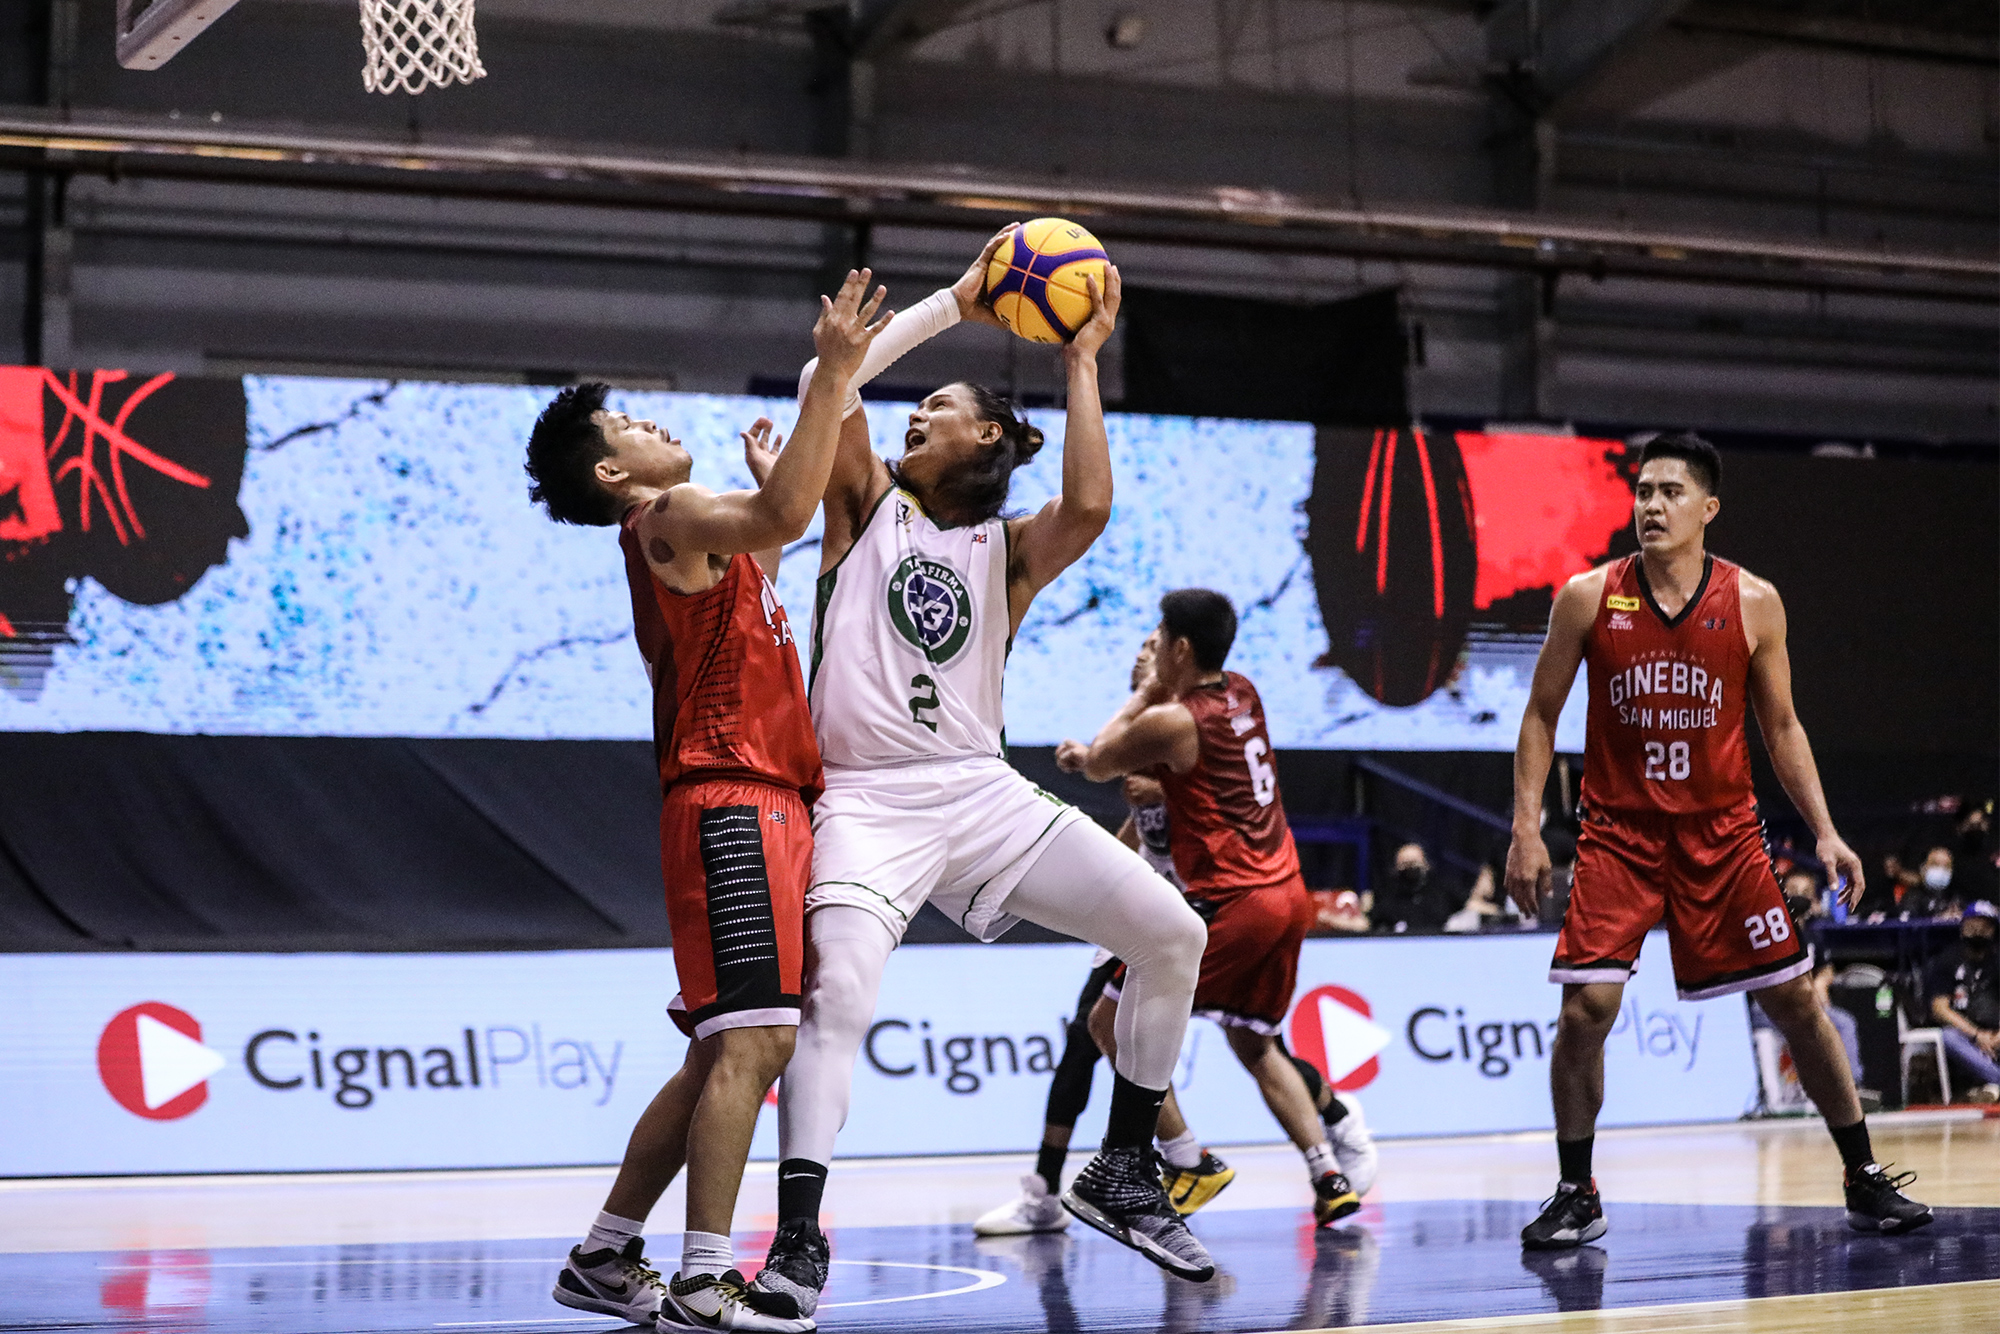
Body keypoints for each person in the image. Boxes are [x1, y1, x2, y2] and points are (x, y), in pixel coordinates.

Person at [759, 230, 1215, 1314]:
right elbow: (828, 380)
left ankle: (1121, 1165)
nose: (917, 413)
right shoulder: (862, 498)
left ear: (996, 435)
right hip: (866, 800)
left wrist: (1077, 360)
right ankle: (795, 1240)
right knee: (838, 1002)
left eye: (942, 405)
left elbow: (1091, 505)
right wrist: (959, 301)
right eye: (914, 407)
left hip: (980, 788)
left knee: (1172, 934)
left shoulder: (1005, 548)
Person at [525, 271, 888, 1332]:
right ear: (611, 470)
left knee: (720, 1049)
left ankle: (602, 1254)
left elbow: (762, 545)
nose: (650, 418)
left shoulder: (688, 539)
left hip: (750, 798)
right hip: (735, 800)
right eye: (628, 420)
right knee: (754, 1045)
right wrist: (831, 369)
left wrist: (781, 498)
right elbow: (777, 513)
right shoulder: (669, 512)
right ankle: (701, 1272)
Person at [1504, 431, 1930, 1248]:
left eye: (1670, 492)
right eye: (1642, 491)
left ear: (1709, 509)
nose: (1651, 505)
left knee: (1796, 1001)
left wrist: (1827, 832)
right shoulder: (1588, 596)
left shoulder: (1754, 601)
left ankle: (1863, 1174)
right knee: (1584, 1011)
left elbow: (1781, 725)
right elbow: (1540, 715)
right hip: (1619, 836)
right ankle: (1575, 1189)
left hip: (1721, 836)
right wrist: (1526, 827)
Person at [1053, 591, 1377, 1228]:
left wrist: (1140, 695)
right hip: (1287, 893)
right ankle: (1328, 1173)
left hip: (1237, 901)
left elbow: (1095, 760)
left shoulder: (1174, 720)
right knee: (1254, 1040)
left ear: (1179, 648)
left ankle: (1186, 1161)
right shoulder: (1244, 690)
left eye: (1158, 636)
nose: (1151, 648)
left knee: (1106, 1022)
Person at [1926, 900, 2000, 1104]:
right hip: (1964, 1032)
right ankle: (1996, 1081)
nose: (1978, 930)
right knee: (1947, 1036)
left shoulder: (1997, 960)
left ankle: (1990, 1089)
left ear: (1993, 930)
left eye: (1985, 926)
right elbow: (1939, 1008)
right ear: (1963, 927)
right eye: (1973, 925)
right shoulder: (1947, 960)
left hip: (1996, 1030)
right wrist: (1976, 1035)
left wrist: (1996, 1036)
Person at [1369, 842, 1457, 934]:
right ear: (1396, 868)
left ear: (1426, 865)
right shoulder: (1386, 894)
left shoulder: (1444, 890)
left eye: (1414, 863)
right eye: (1405, 864)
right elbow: (1375, 923)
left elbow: (1467, 907)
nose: (1410, 868)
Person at [1444, 863, 1521, 933]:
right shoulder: (1458, 921)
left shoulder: (1505, 908)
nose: (1490, 882)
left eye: (1490, 878)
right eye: (1485, 877)